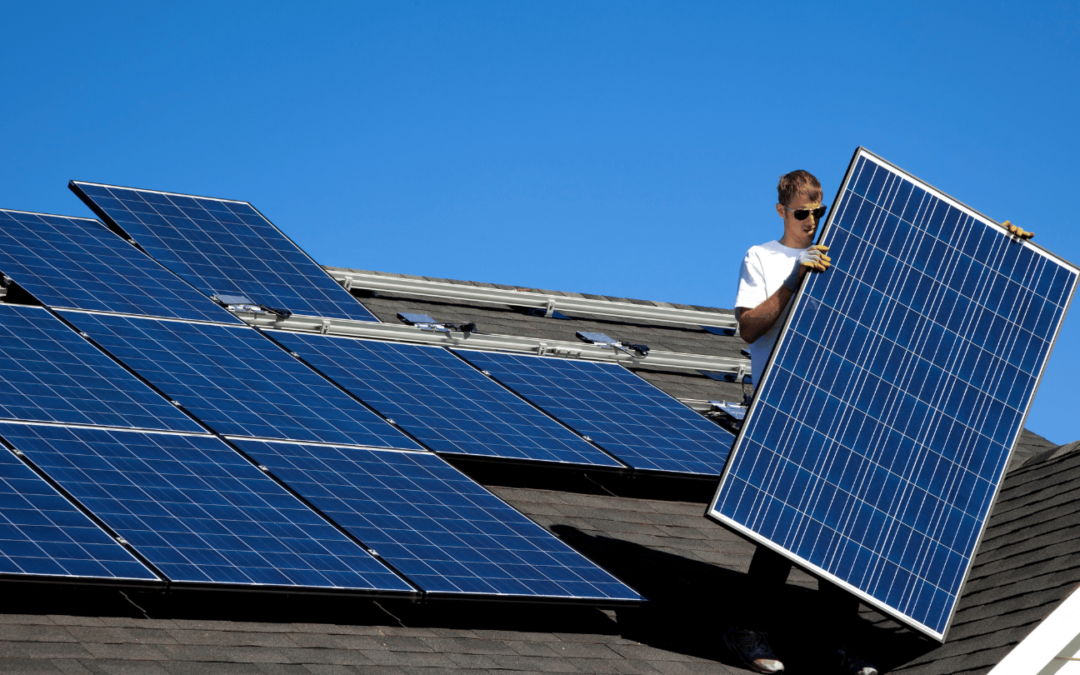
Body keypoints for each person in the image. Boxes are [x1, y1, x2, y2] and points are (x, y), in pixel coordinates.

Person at [725, 170, 1033, 674]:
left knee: (841, 527)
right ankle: (746, 631)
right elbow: (748, 327)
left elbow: (923, 269)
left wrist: (998, 247)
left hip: (835, 404)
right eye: (802, 213)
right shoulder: (762, 257)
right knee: (778, 527)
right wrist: (795, 277)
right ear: (782, 211)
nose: (811, 221)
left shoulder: (845, 251)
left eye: (818, 212)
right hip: (783, 403)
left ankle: (841, 646)